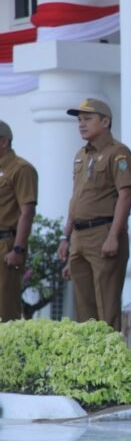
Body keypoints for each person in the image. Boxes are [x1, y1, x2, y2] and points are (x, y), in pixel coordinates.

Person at [57, 99, 131, 331]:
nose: (81, 124)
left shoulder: (118, 153)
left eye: (88, 119)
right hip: (79, 236)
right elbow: (76, 197)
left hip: (103, 232)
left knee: (106, 305)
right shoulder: (81, 154)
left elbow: (125, 195)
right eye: (79, 120)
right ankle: (89, 362)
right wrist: (66, 237)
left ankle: (109, 363)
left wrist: (113, 236)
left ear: (105, 121)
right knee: (84, 306)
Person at [0, 120, 37, 321]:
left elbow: (27, 210)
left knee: (5, 309)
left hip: (6, 244)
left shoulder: (21, 169)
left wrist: (18, 249)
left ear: (3, 141)